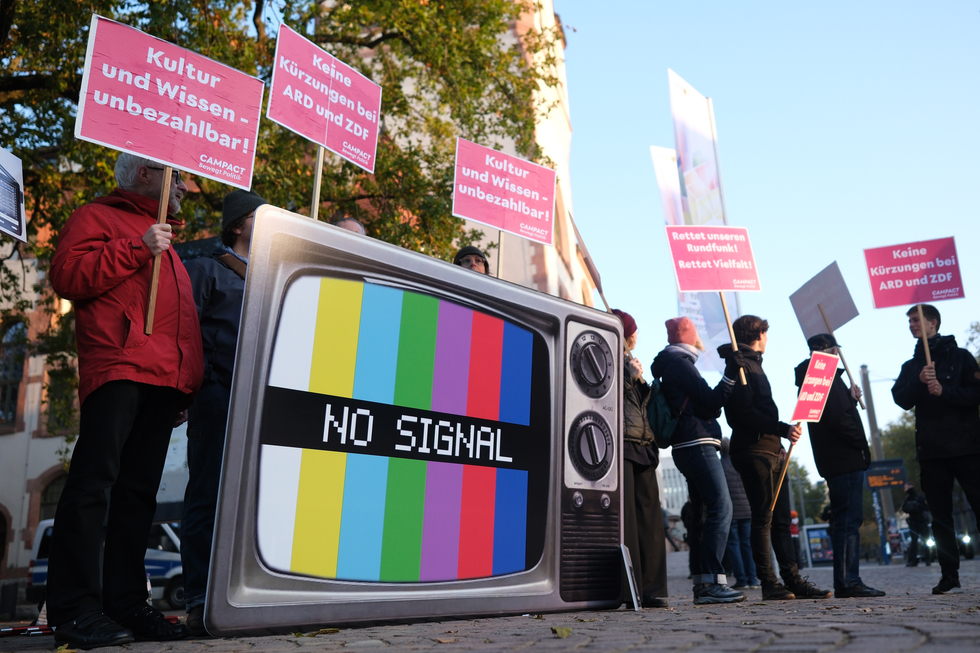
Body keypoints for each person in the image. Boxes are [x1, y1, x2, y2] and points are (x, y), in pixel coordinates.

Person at [45, 153, 204, 648]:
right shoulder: (97, 218)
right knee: (94, 487)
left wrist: (185, 383)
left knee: (137, 498)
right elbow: (68, 277)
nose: (184, 189)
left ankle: (127, 604)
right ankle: (74, 609)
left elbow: (180, 322)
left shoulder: (167, 238)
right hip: (118, 367)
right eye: (177, 178)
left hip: (161, 382)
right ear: (144, 174)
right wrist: (137, 248)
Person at [180, 190, 267, 635]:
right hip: (217, 397)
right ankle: (199, 597)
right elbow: (186, 337)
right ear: (236, 226)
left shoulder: (277, 278)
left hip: (264, 402)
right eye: (258, 215)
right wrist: (184, 392)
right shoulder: (206, 271)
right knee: (208, 496)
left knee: (258, 500)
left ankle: (249, 596)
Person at [718, 315, 831, 601]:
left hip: (769, 449)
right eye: (766, 334)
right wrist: (782, 428)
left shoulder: (752, 364)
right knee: (763, 518)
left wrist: (778, 440)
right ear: (759, 334)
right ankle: (769, 582)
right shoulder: (740, 366)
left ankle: (792, 580)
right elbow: (743, 414)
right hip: (755, 453)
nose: (768, 339)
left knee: (780, 520)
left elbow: (758, 412)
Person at [651, 317, 744, 604]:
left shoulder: (673, 365)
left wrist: (717, 393)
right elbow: (713, 401)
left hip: (687, 446)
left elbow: (707, 404)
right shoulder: (680, 364)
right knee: (722, 507)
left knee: (705, 515)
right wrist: (730, 372)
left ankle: (705, 585)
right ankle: (714, 582)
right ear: (688, 336)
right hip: (696, 444)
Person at [892, 304, 980, 594]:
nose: (912, 325)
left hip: (967, 449)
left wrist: (946, 391)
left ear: (933, 322)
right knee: (940, 519)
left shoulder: (961, 357)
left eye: (917, 320)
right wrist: (918, 384)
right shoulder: (912, 366)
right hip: (931, 453)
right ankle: (949, 575)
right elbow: (901, 399)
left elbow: (976, 394)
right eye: (909, 321)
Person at [795, 333, 883, 598]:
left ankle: (847, 579)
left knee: (845, 520)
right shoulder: (825, 377)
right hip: (844, 459)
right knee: (848, 521)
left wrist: (850, 399)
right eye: (835, 349)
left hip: (835, 460)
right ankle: (847, 580)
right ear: (831, 350)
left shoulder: (814, 378)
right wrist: (860, 444)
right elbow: (838, 420)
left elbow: (834, 413)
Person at [612, 309, 668, 609]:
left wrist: (638, 379)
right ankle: (629, 587)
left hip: (643, 444)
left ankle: (650, 587)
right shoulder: (608, 357)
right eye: (633, 331)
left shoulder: (629, 362)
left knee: (649, 520)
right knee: (629, 522)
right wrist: (627, 377)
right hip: (623, 444)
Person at [720, 438, 759, 590]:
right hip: (747, 509)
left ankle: (741, 579)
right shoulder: (740, 462)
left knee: (733, 546)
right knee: (748, 545)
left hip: (731, 512)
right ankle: (753, 579)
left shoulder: (720, 465)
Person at [902, 484, 931, 566]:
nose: (905, 489)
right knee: (914, 543)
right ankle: (913, 560)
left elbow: (927, 508)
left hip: (921, 521)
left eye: (906, 487)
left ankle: (928, 559)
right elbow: (904, 509)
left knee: (926, 541)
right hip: (913, 522)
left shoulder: (920, 498)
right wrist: (910, 508)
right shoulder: (907, 499)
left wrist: (918, 506)